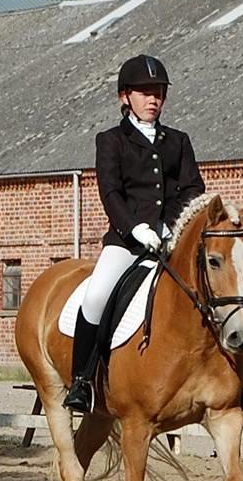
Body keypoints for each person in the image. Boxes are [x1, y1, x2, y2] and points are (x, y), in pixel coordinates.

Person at [64, 55, 205, 412]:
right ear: (125, 97)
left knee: (213, 288)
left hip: (170, 239)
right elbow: (110, 191)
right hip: (126, 241)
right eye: (145, 92)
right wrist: (136, 227)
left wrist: (168, 225)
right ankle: (82, 380)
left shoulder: (178, 141)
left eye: (158, 92)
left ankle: (238, 379)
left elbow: (192, 188)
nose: (153, 99)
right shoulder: (111, 140)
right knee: (96, 296)